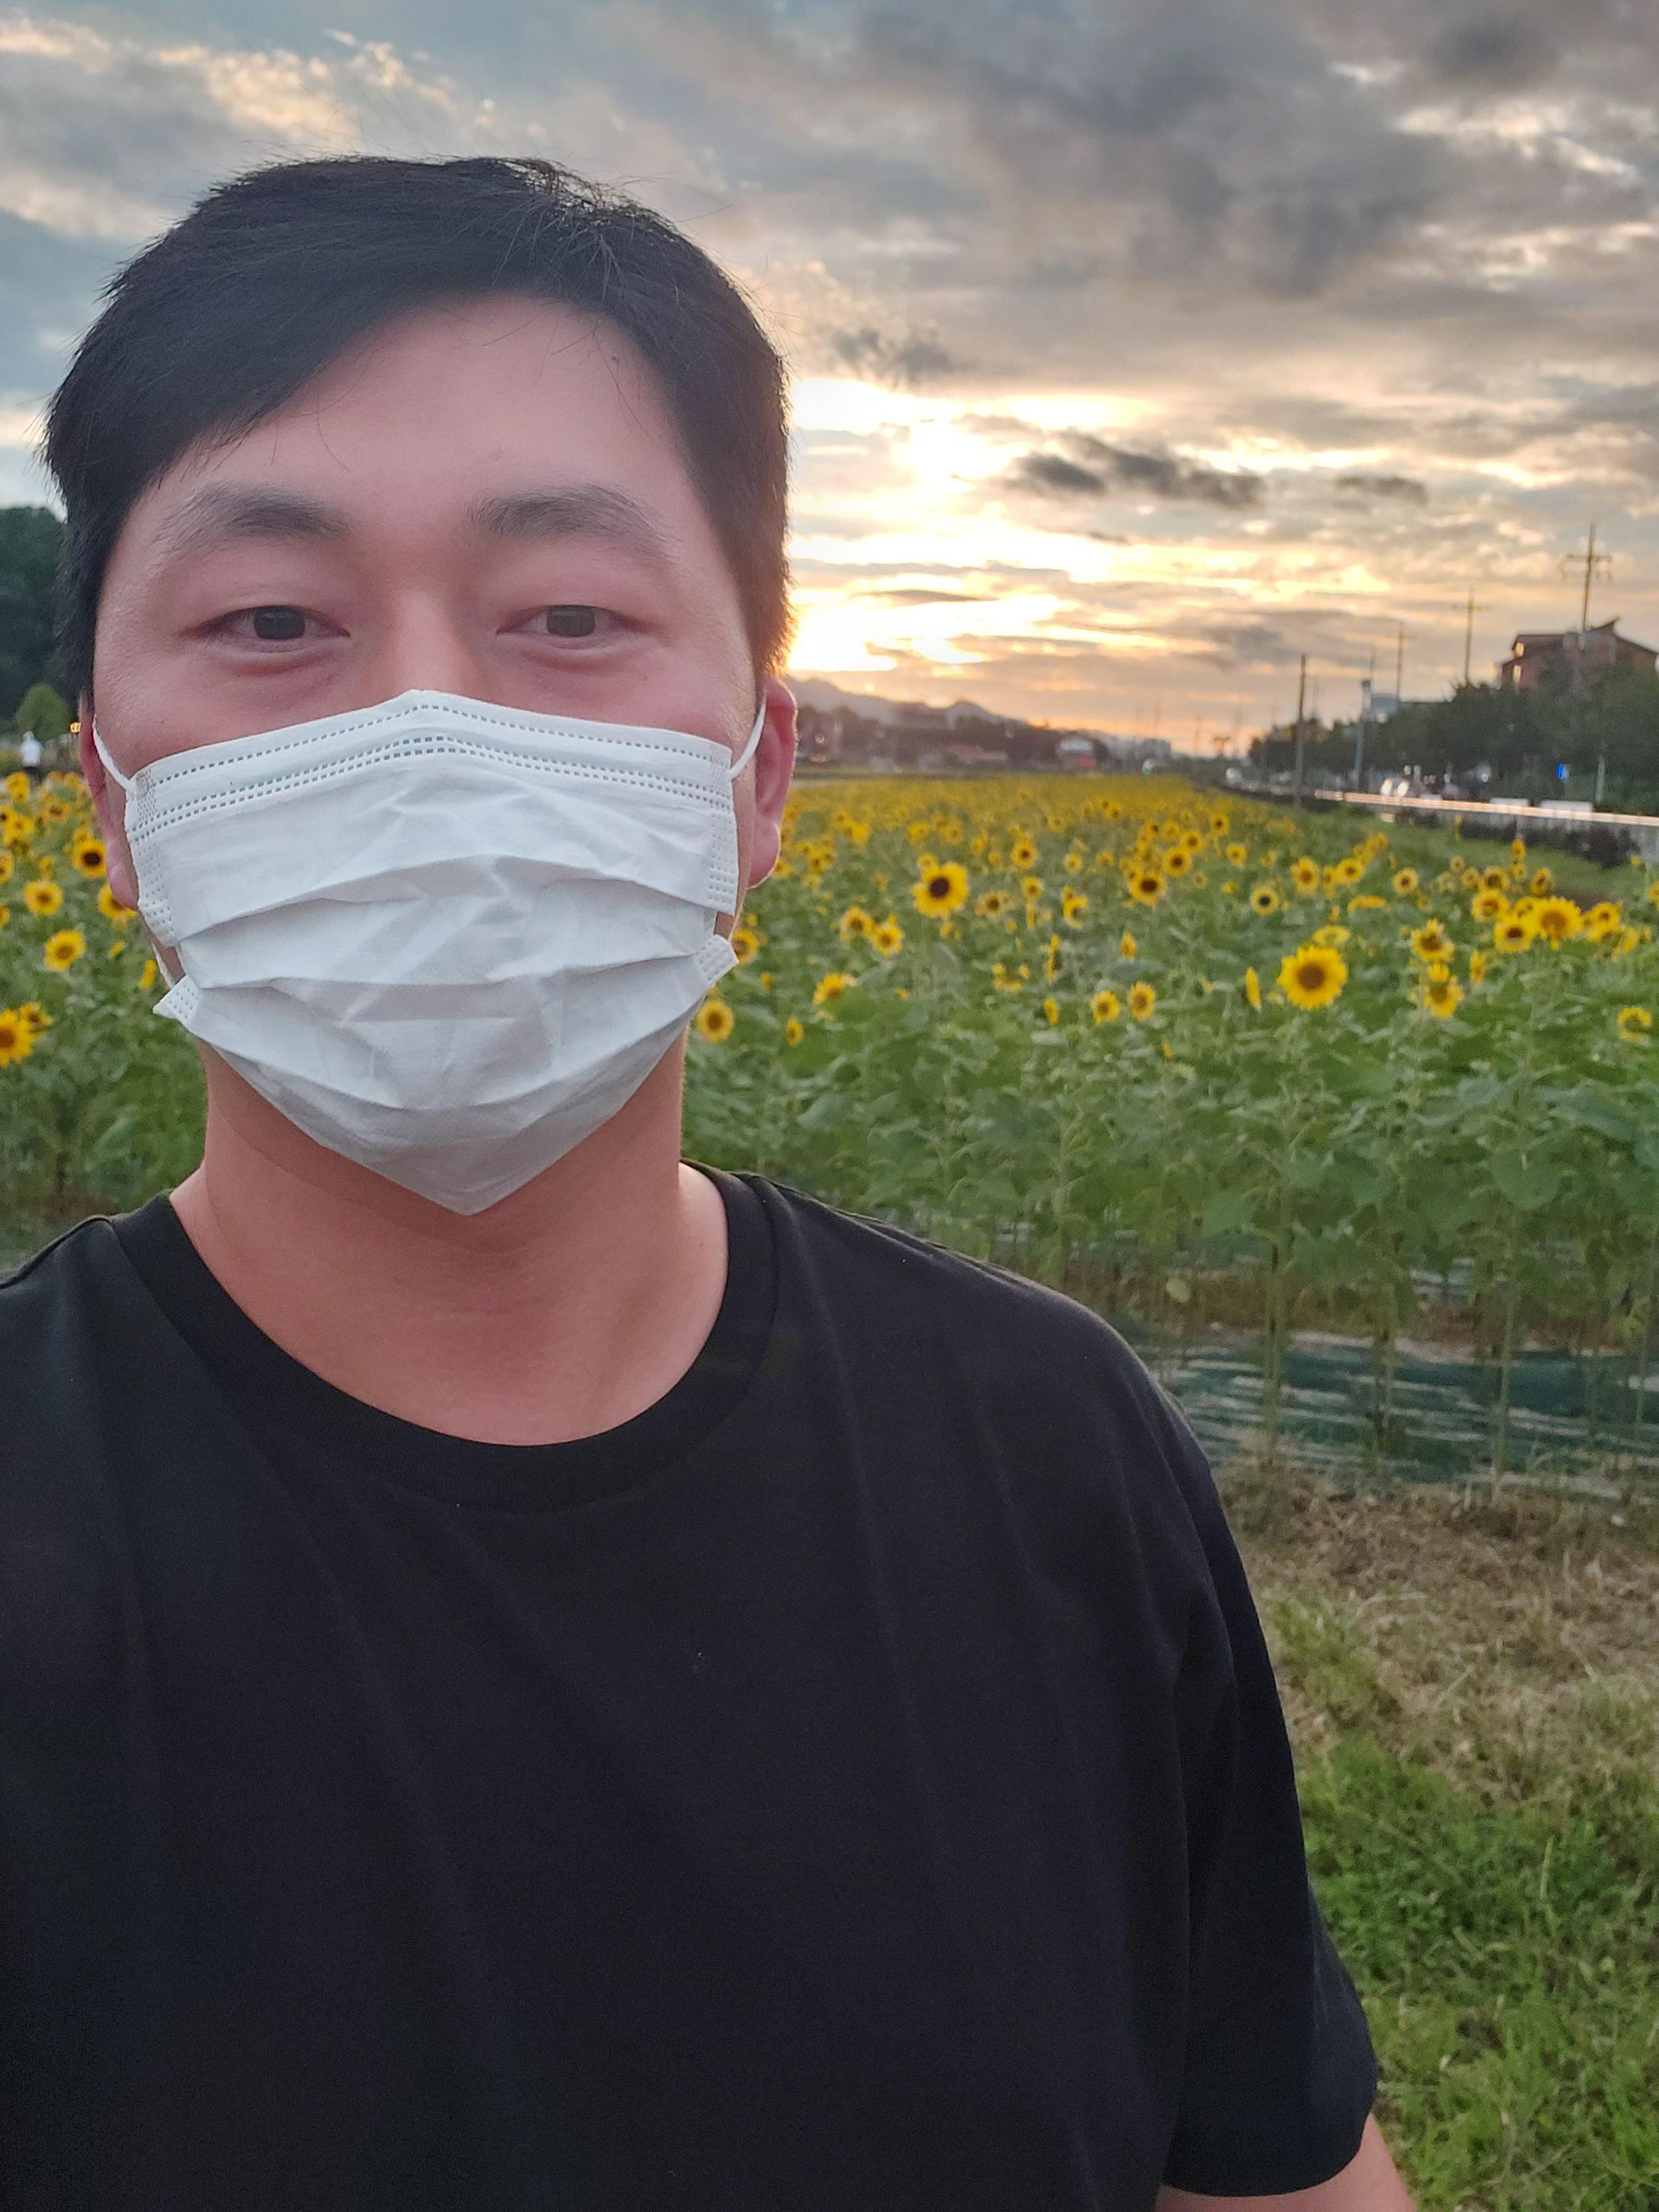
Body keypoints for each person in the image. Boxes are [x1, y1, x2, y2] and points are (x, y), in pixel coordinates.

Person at [1, 156, 1413, 2211]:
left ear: (759, 777)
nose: (427, 732)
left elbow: (1268, 2174)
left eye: (570, 618)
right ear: (116, 801)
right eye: (274, 621)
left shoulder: (1055, 1454)